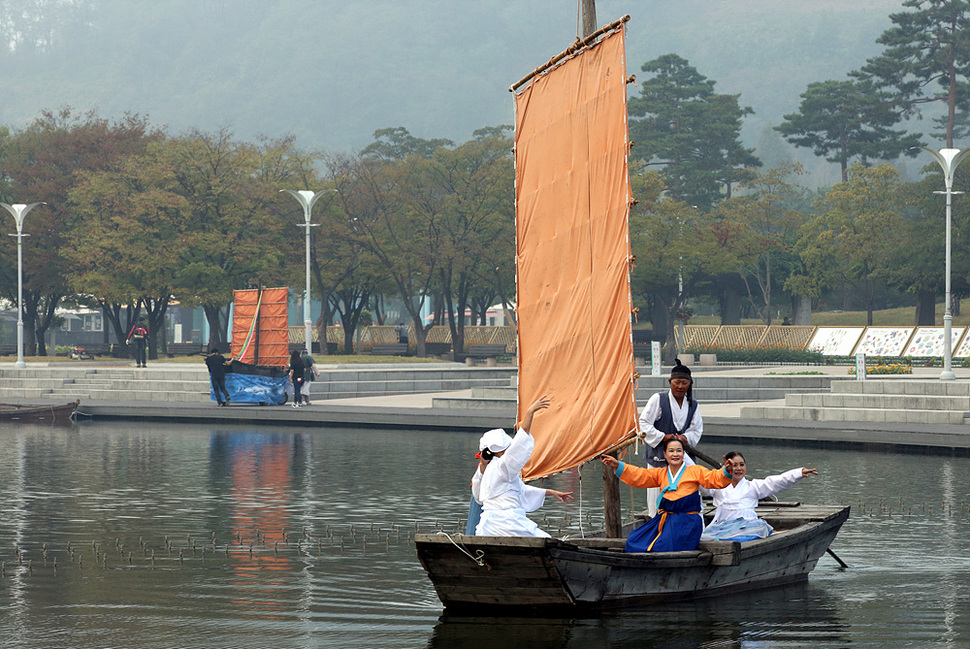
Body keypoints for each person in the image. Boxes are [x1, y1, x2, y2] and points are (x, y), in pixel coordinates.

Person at [601, 437, 732, 553]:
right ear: (665, 454)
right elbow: (640, 475)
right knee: (634, 540)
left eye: (679, 451)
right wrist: (618, 465)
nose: (675, 454)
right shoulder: (661, 473)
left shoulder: (695, 471)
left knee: (663, 546)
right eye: (671, 451)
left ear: (683, 453)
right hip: (665, 521)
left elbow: (713, 478)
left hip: (686, 523)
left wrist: (726, 470)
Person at [475, 395, 573, 537]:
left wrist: (549, 492)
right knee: (547, 540)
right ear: (500, 451)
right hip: (508, 524)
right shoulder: (501, 467)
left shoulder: (484, 472)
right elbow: (520, 443)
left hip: (487, 527)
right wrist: (530, 413)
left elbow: (518, 489)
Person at [467, 435, 573, 536]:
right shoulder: (498, 467)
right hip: (505, 522)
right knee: (545, 539)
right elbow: (478, 496)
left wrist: (549, 492)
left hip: (492, 524)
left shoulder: (495, 468)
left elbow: (520, 489)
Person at [700, 452, 818, 542]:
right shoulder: (716, 486)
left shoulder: (753, 486)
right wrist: (682, 456)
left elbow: (776, 481)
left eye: (742, 464)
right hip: (722, 527)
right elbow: (696, 476)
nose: (738, 468)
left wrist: (797, 473)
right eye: (734, 465)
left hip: (747, 526)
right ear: (725, 466)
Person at [638, 358, 702, 516]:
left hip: (682, 458)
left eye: (684, 383)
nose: (680, 386)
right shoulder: (658, 399)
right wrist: (663, 437)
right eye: (677, 382)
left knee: (687, 493)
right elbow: (643, 423)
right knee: (657, 498)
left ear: (690, 384)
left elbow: (696, 429)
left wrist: (685, 438)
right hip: (659, 458)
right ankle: (656, 524)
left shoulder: (693, 404)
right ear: (670, 382)